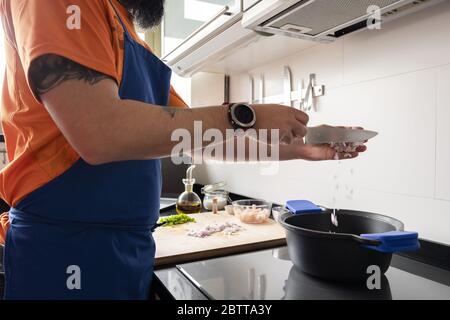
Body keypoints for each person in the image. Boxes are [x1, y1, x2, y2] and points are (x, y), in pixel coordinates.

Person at [0, 0, 366, 299]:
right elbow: (99, 132)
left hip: (129, 251)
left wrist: (304, 147)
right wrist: (246, 116)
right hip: (65, 250)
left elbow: (199, 140)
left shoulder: (126, 32)